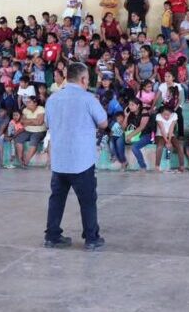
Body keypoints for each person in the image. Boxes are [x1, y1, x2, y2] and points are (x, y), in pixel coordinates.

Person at [43, 62, 107, 251]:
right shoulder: (88, 99)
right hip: (81, 160)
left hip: (60, 159)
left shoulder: (52, 99)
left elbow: (48, 122)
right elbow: (103, 123)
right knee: (87, 200)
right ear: (83, 79)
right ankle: (91, 238)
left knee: (56, 198)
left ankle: (52, 236)